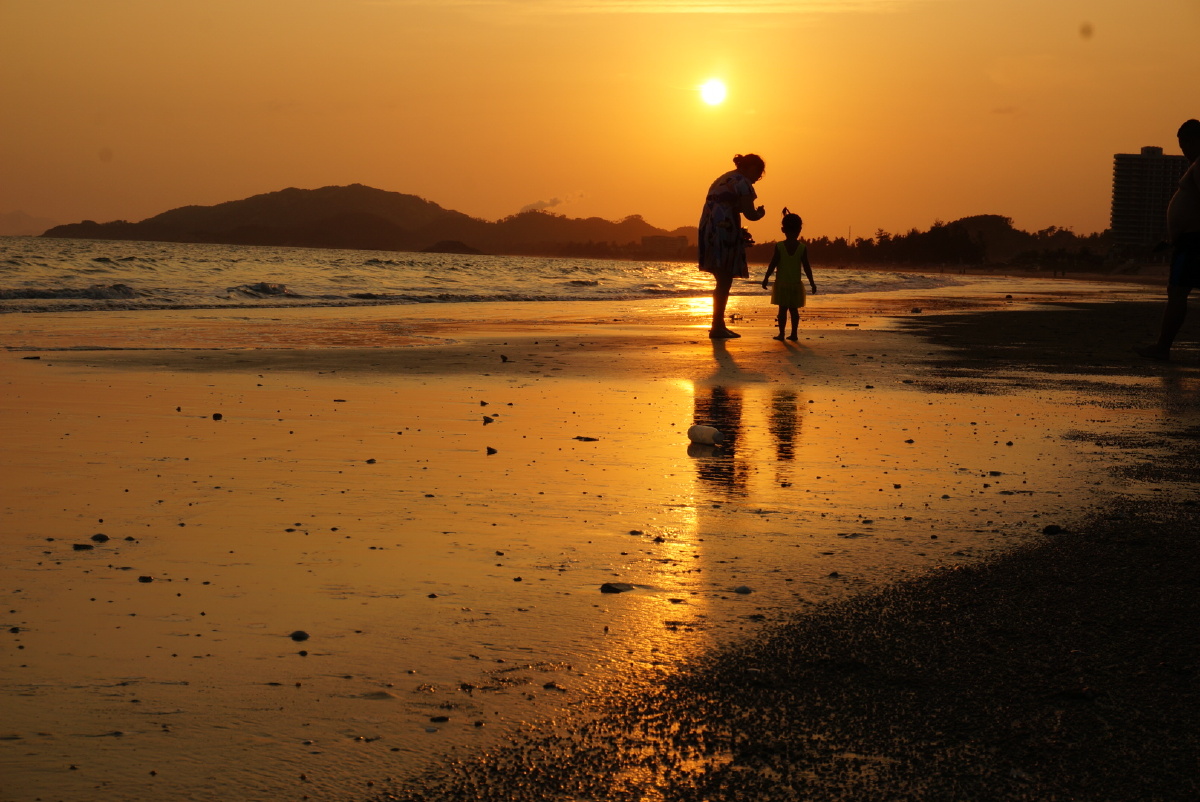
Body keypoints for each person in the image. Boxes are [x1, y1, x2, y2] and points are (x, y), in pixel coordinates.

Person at [1136, 119, 1200, 361]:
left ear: (1194, 141)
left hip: (1193, 243)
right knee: (1177, 291)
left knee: (1177, 292)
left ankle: (1162, 347)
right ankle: (1162, 346)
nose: (1183, 151)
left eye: (1184, 145)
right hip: (1189, 241)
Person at [698, 153, 766, 338]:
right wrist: (760, 214)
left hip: (709, 227)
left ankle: (718, 324)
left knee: (722, 279)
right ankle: (717, 326)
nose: (758, 176)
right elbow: (750, 214)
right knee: (724, 279)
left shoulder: (725, 177)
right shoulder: (743, 183)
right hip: (723, 230)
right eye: (757, 171)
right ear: (748, 167)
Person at [761, 208, 817, 341]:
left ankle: (781, 334)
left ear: (783, 229)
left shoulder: (779, 246)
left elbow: (773, 264)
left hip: (782, 284)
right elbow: (807, 267)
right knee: (794, 310)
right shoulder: (802, 247)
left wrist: (765, 278)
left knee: (782, 310)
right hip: (795, 284)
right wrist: (812, 283)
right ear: (799, 230)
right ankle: (794, 334)